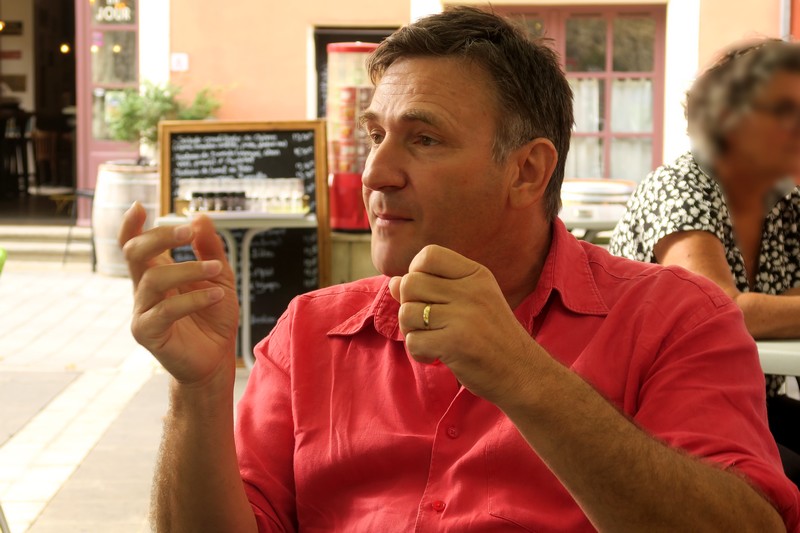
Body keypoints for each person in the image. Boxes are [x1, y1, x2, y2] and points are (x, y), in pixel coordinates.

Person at [120, 8, 799, 531]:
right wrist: (199, 391)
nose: (376, 173)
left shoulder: (675, 318)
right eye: (375, 136)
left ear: (527, 170)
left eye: (424, 138)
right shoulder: (309, 332)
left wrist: (523, 375)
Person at [609, 38, 800, 482]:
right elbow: (721, 310)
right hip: (652, 409)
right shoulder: (679, 186)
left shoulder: (786, 202)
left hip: (746, 401)